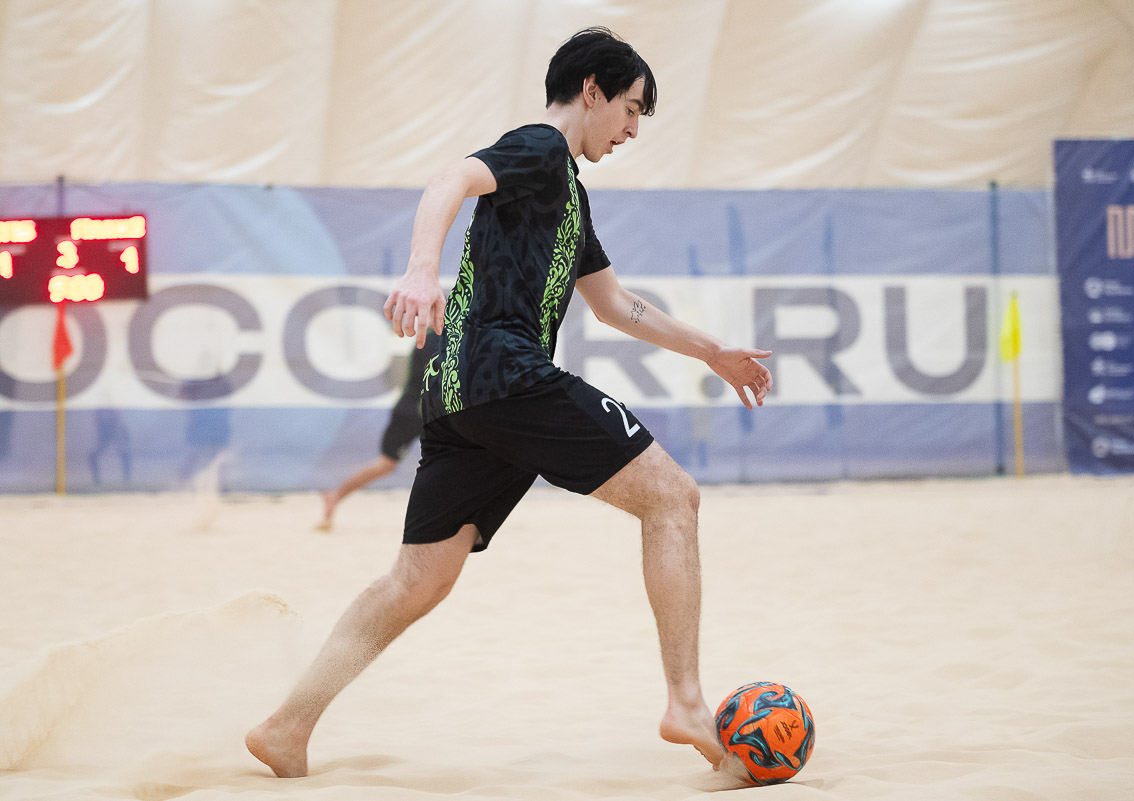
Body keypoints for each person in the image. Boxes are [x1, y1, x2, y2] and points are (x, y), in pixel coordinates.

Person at [246, 27, 772, 780]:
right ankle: (686, 701)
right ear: (590, 89)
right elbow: (450, 178)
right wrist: (421, 269)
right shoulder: (541, 147)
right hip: (506, 373)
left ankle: (287, 725)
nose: (632, 130)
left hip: (457, 393)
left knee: (417, 580)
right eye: (630, 109)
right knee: (673, 498)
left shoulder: (567, 193)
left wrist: (711, 351)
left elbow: (615, 305)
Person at [317, 332, 440, 531]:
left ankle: (335, 496)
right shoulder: (435, 339)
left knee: (392, 464)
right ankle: (335, 496)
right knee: (387, 464)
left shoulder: (438, 337)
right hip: (415, 411)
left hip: (423, 410)